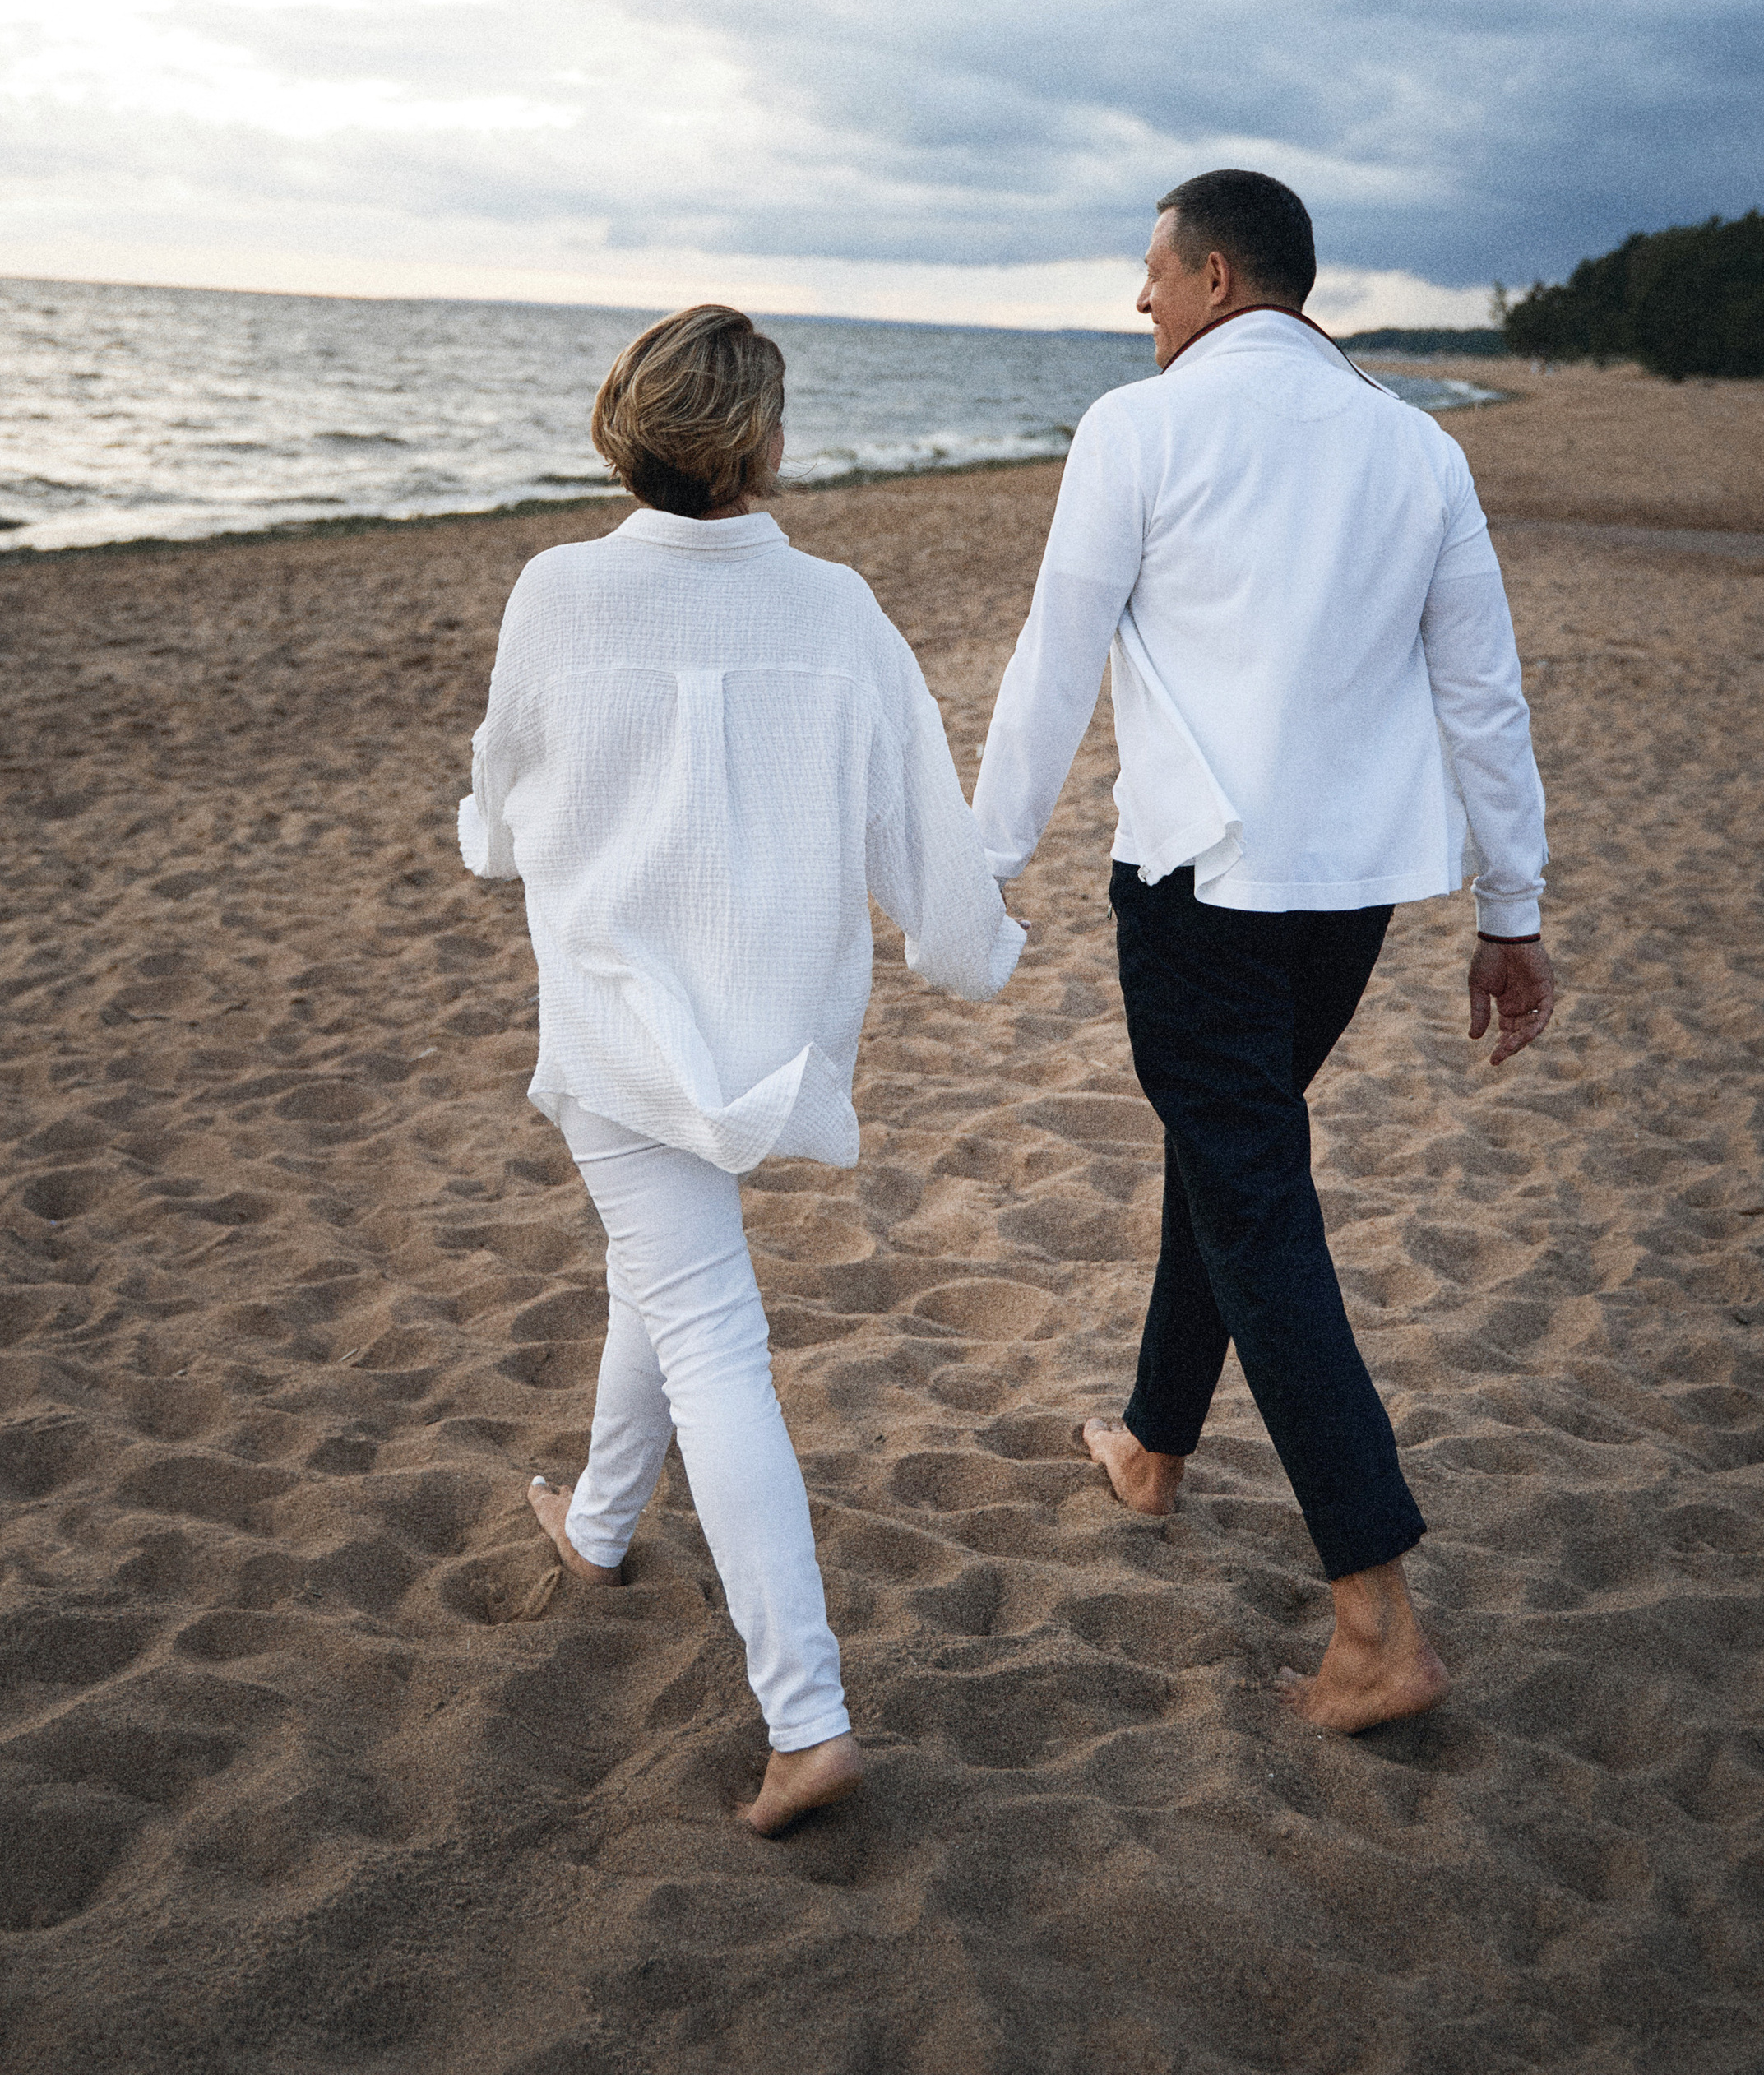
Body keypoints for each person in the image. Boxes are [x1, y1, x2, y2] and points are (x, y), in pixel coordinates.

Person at [971, 171, 1553, 1733]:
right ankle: (1155, 1447)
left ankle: (1377, 1616)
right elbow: (1481, 697)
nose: (1139, 305)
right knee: (1232, 1164)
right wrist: (1512, 908)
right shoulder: (1417, 447)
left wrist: (979, 863)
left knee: (1253, 1195)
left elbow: (1055, 653)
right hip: (1351, 902)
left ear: (1218, 275)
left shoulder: (1138, 428)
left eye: (1152, 277)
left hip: (1203, 894)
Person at [458, 305, 1023, 1832]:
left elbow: (501, 793)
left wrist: (499, 844)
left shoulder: (560, 590)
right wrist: (975, 953)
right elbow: (924, 821)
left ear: (625, 424)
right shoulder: (838, 608)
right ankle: (592, 1526)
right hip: (762, 1033)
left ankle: (808, 1716)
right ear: (765, 446)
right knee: (669, 1274)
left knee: (707, 1324)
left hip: (616, 1020)